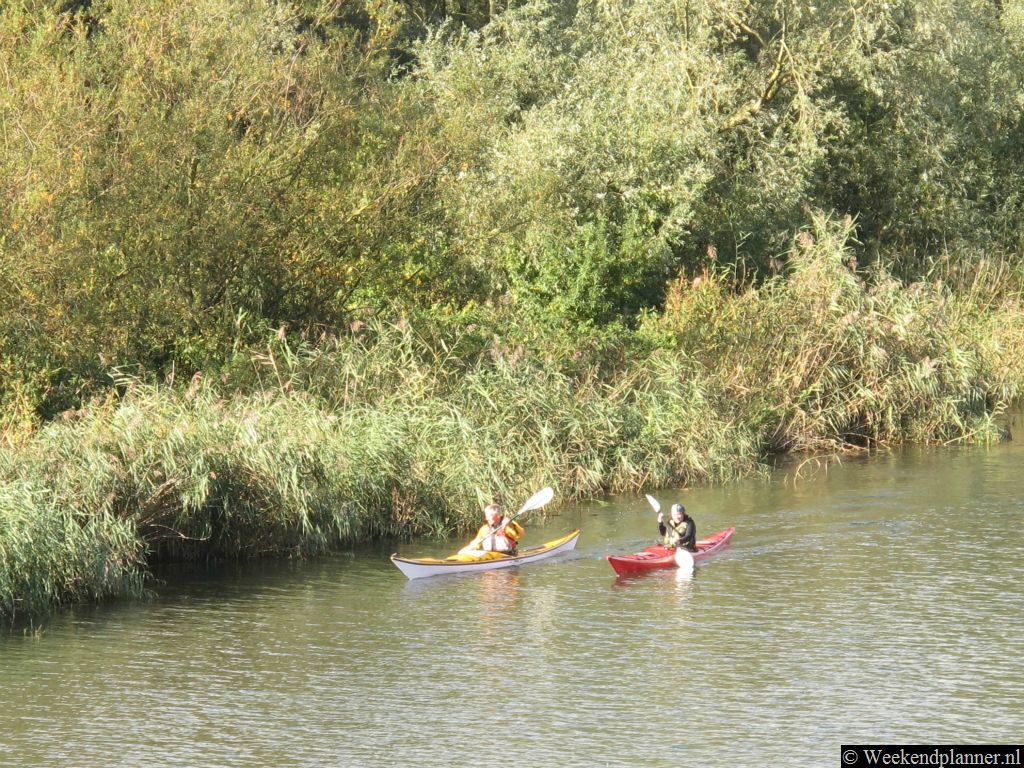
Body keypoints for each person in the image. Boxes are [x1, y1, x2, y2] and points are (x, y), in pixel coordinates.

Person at [459, 502, 524, 555]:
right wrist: (466, 549)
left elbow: (521, 534)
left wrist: (511, 523)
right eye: (486, 516)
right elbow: (477, 542)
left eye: (489, 516)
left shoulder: (508, 526)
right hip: (490, 555)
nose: (487, 518)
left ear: (498, 515)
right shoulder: (484, 529)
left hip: (508, 555)